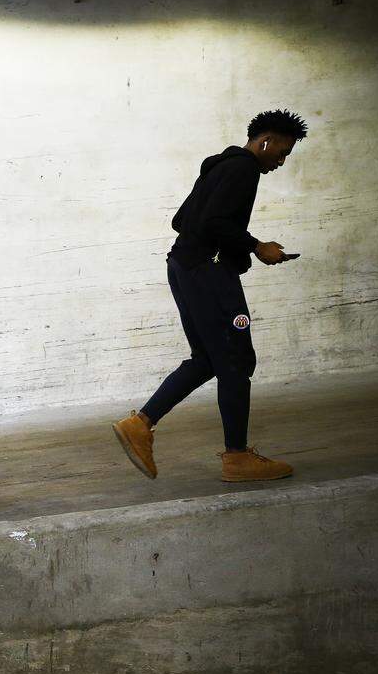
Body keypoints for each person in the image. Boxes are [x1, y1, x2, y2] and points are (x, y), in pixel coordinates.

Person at [113, 110, 308, 482]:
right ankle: (237, 458)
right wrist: (255, 245)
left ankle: (140, 424)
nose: (281, 161)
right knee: (236, 359)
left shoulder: (218, 167)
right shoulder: (244, 169)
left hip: (184, 267)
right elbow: (212, 223)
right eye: (281, 152)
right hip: (209, 272)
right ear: (264, 141)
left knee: (208, 359)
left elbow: (181, 220)